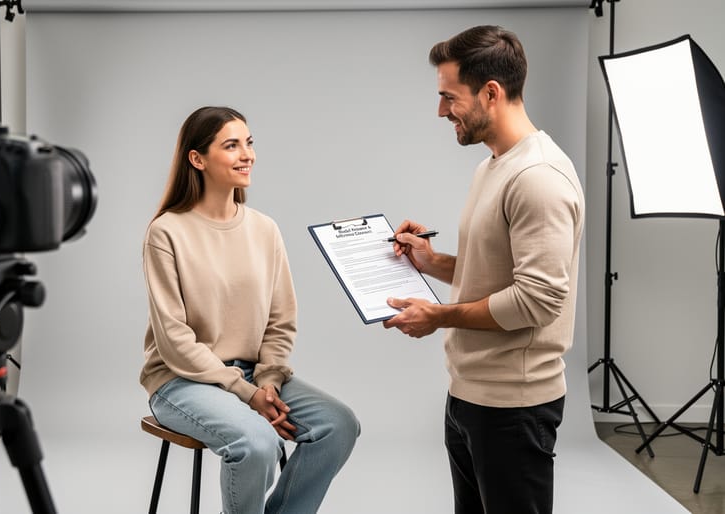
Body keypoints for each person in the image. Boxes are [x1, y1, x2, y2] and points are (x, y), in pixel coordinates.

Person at [382, 26, 584, 514]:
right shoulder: (494, 165)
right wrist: (431, 262)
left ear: (490, 93)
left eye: (448, 97)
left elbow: (536, 301)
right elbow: (498, 273)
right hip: (470, 395)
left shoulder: (537, 179)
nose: (440, 111)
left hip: (513, 406)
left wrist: (438, 316)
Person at [140, 106, 359, 514]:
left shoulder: (264, 229)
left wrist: (268, 382)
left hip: (254, 376)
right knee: (256, 442)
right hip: (179, 380)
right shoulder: (167, 232)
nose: (247, 155)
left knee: (339, 425)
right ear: (197, 159)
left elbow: (280, 320)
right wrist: (245, 393)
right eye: (232, 145)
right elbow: (174, 338)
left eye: (249, 143)